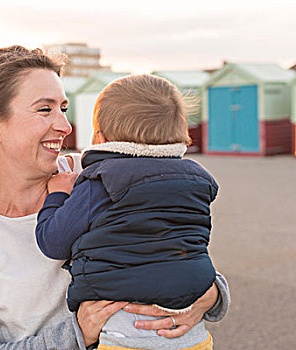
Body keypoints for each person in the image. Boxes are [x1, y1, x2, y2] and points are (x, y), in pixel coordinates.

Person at [0, 46, 229, 349]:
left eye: (64, 108)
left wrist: (211, 294)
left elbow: (178, 245)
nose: (66, 126)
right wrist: (76, 333)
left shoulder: (98, 176)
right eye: (45, 109)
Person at [35, 74, 222, 349]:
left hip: (124, 331)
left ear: (101, 138)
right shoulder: (196, 179)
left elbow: (53, 242)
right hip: (192, 332)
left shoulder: (102, 179)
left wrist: (58, 195)